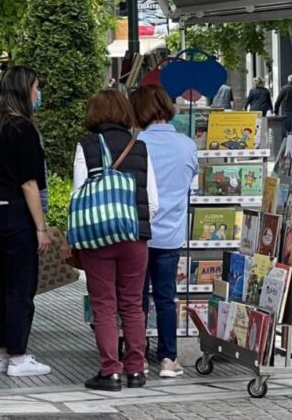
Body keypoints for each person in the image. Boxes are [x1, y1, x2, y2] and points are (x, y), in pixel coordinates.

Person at [72, 90, 159, 392]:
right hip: (135, 236)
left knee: (104, 305)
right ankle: (136, 370)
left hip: (98, 238)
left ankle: (110, 371)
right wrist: (133, 220)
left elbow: (78, 194)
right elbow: (153, 201)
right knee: (133, 304)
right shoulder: (139, 146)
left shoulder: (87, 146)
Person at [0, 66, 52, 378]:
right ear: (24, 90)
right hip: (15, 214)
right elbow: (29, 183)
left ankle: (1, 353)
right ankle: (19, 356)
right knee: (21, 286)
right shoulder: (23, 128)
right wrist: (41, 227)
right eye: (36, 87)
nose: (37, 93)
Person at [130, 85, 197, 378]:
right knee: (166, 296)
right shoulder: (187, 145)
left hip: (139, 232)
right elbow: (190, 180)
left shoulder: (136, 145)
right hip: (171, 233)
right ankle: (169, 358)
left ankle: (138, 357)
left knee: (136, 297)